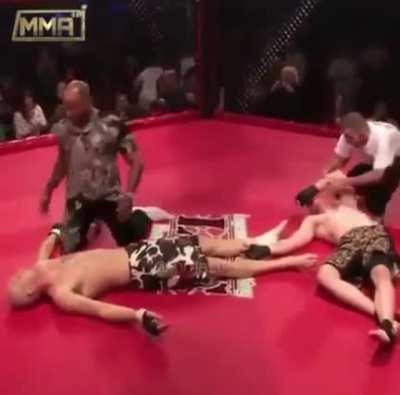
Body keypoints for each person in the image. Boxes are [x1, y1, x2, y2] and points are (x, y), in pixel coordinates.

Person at [7, 223, 317, 335]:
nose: (20, 272)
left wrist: (56, 231)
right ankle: (287, 261)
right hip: (144, 268)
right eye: (20, 280)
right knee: (216, 265)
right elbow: (100, 310)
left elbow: (49, 240)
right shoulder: (62, 294)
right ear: (31, 291)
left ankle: (263, 244)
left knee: (204, 243)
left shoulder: (43, 264)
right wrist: (137, 315)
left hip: (136, 251)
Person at [39, 80, 150, 254]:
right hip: (78, 199)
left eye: (74, 107)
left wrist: (128, 195)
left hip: (109, 196)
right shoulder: (63, 129)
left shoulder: (111, 124)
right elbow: (62, 162)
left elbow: (136, 161)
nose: (69, 113)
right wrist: (48, 189)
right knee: (69, 252)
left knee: (133, 244)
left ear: (88, 101)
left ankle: (140, 217)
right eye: (67, 107)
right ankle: (87, 228)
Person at [280, 182, 399, 344]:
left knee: (380, 272)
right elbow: (295, 241)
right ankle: (384, 318)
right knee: (325, 275)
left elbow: (341, 181)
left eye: (317, 196)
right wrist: (267, 249)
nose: (314, 201)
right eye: (312, 201)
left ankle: (386, 322)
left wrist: (318, 186)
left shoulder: (346, 204)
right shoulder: (314, 220)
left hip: (372, 234)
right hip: (348, 243)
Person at [322, 112, 400, 218]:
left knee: (377, 196)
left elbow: (378, 176)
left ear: (363, 136)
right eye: (346, 137)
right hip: (372, 161)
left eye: (350, 138)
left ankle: (375, 215)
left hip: (394, 161)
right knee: (349, 183)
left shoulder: (384, 139)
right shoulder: (348, 134)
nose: (347, 141)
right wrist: (326, 175)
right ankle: (358, 205)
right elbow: (340, 159)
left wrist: (344, 181)